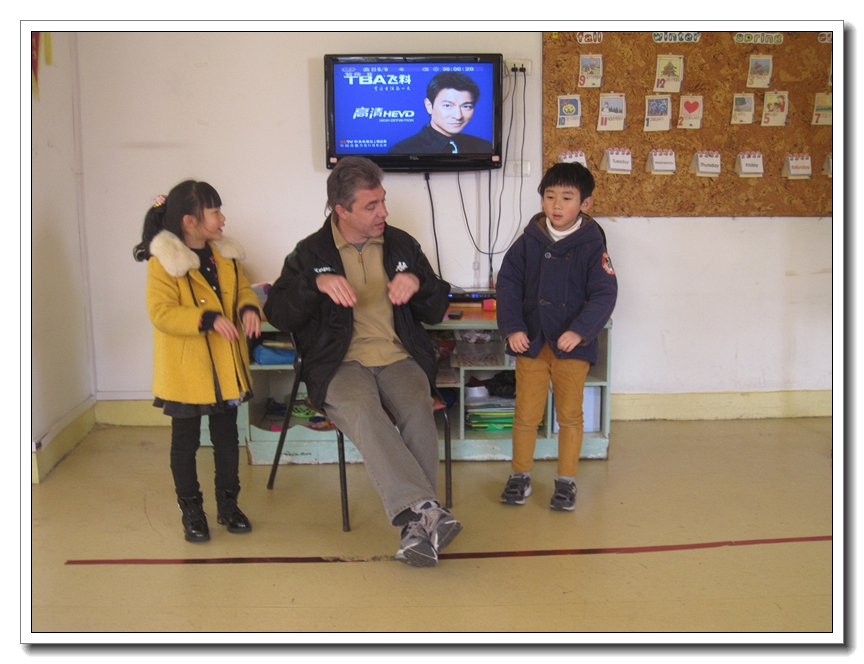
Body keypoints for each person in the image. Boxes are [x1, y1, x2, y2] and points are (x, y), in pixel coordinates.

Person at [264, 157, 461, 568]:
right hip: (338, 364)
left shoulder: (402, 245)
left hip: (398, 356)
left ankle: (416, 527)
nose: (383, 212)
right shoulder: (310, 252)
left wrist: (419, 283)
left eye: (383, 201)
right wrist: (313, 284)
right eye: (372, 206)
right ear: (342, 210)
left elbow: (436, 308)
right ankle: (427, 510)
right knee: (362, 408)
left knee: (417, 407)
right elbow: (279, 314)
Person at [133, 180, 261, 542]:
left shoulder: (225, 257)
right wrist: (206, 319)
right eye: (215, 211)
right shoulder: (163, 263)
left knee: (227, 440)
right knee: (185, 443)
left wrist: (247, 307)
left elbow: (243, 289)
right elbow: (161, 313)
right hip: (186, 373)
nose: (223, 218)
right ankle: (191, 510)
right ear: (190, 221)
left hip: (226, 369)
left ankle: (228, 505)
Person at [495, 162, 617, 511]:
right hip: (532, 344)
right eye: (550, 196)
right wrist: (513, 328)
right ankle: (520, 475)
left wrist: (579, 331)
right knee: (525, 415)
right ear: (542, 200)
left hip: (571, 349)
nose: (557, 205)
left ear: (585, 203)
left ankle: (566, 481)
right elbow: (507, 285)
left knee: (570, 416)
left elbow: (604, 294)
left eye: (567, 197)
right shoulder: (527, 242)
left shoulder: (592, 245)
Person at [389, 71, 493, 154]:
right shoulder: (403, 151)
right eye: (447, 105)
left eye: (466, 106)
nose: (458, 116)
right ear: (429, 106)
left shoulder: (484, 147)